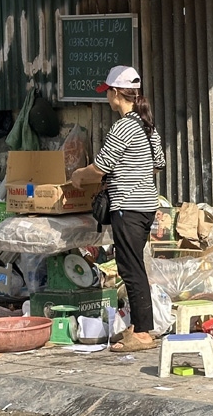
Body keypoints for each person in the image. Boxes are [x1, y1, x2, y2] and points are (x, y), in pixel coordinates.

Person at [71, 65, 167, 352]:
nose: (107, 99)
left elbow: (100, 167)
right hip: (146, 205)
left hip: (128, 207)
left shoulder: (124, 126)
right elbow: (158, 163)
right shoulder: (147, 125)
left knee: (131, 268)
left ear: (115, 93)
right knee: (134, 264)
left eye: (108, 93)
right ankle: (139, 326)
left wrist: (77, 177)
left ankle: (144, 333)